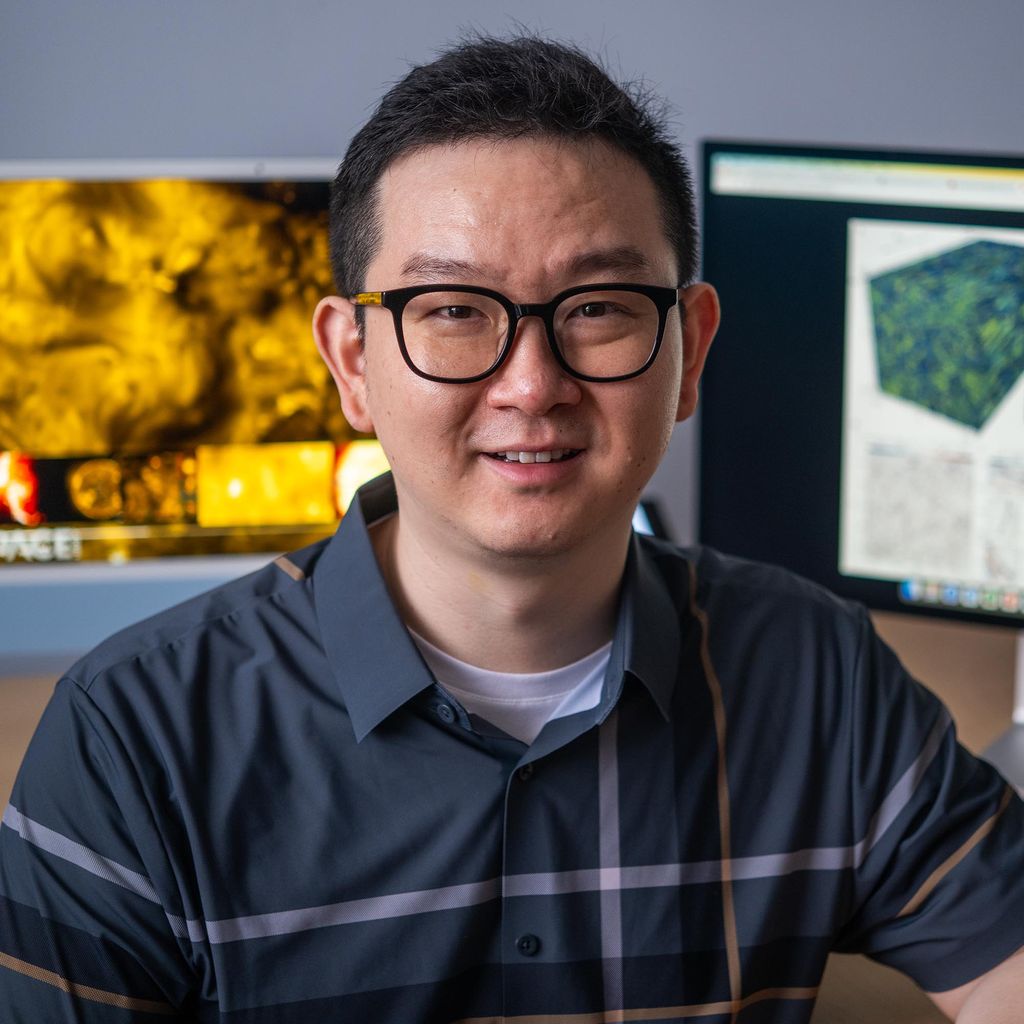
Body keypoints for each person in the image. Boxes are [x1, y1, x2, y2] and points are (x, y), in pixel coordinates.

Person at [2, 34, 1022, 1024]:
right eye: (453, 310)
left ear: (690, 350)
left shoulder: (818, 673)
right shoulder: (131, 739)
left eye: (598, 308)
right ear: (352, 362)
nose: (532, 386)